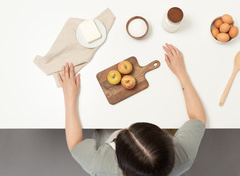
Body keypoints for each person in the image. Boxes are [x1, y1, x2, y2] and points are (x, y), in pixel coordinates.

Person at [57, 43, 206, 176]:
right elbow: (198, 118)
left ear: (118, 158)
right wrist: (181, 73)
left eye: (124, 132)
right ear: (167, 142)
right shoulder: (184, 156)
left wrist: (69, 98)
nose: (127, 126)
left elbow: (75, 144)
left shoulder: (100, 166)